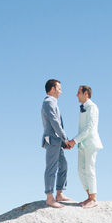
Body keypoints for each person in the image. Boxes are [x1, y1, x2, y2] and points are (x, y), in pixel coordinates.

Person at [65, 85, 103, 209]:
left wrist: (74, 141)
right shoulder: (83, 108)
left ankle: (93, 198)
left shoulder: (92, 107)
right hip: (82, 144)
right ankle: (88, 196)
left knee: (89, 169)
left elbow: (89, 128)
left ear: (85, 93)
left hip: (91, 143)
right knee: (81, 170)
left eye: (78, 92)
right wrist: (75, 142)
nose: (76, 95)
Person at [41, 79, 72, 208]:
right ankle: (49, 197)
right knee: (51, 168)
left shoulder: (53, 103)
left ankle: (59, 193)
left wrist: (63, 141)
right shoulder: (48, 102)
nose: (61, 91)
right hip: (52, 141)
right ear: (52, 89)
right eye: (59, 88)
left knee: (63, 164)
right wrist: (66, 139)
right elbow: (55, 123)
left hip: (57, 142)